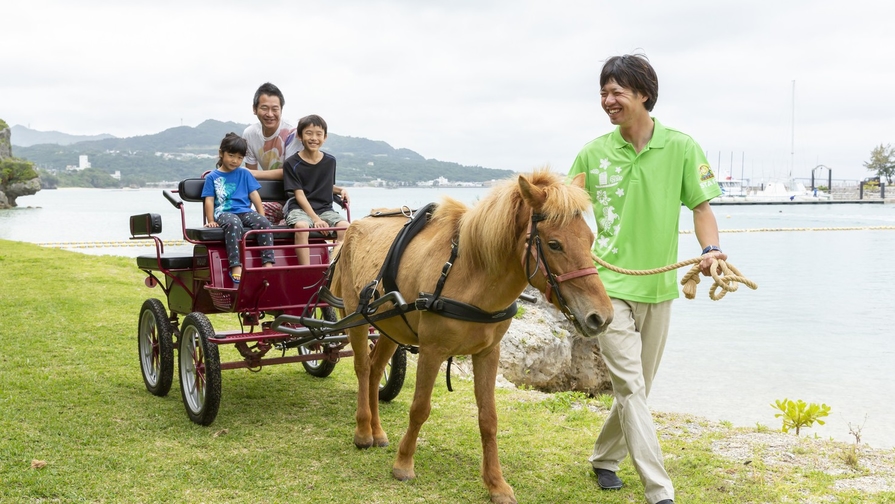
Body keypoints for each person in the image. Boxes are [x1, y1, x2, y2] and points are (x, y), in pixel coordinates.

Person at [568, 54, 726, 504]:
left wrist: (710, 250)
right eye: (603, 92)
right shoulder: (592, 152)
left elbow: (701, 207)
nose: (607, 100)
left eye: (616, 91)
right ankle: (660, 491)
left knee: (638, 387)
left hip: (659, 289)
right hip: (607, 288)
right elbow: (564, 211)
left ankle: (604, 458)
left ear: (644, 94)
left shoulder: (681, 147)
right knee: (631, 386)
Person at [202, 132, 275, 283]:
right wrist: (210, 220)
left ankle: (267, 263)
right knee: (234, 224)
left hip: (244, 211)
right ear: (221, 153)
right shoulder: (212, 177)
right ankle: (235, 265)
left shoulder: (244, 173)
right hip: (224, 213)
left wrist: (261, 215)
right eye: (231, 155)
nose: (235, 161)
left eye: (240, 158)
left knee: (264, 224)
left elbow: (254, 195)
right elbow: (209, 200)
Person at [282, 114, 349, 265]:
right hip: (299, 208)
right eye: (309, 133)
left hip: (324, 208)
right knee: (301, 227)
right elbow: (299, 194)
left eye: (319, 134)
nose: (314, 138)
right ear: (299, 136)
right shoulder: (291, 163)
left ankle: (334, 268)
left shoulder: (330, 161)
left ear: (325, 137)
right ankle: (306, 269)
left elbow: (326, 185)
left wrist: (341, 190)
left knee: (346, 227)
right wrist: (316, 219)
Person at [242, 82, 301, 223]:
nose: (270, 114)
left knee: (284, 225)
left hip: (298, 197)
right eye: (264, 108)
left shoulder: (293, 131)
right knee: (252, 221)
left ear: (281, 109)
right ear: (254, 109)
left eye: (275, 109)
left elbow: (291, 172)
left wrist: (254, 174)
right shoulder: (249, 134)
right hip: (273, 197)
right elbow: (251, 181)